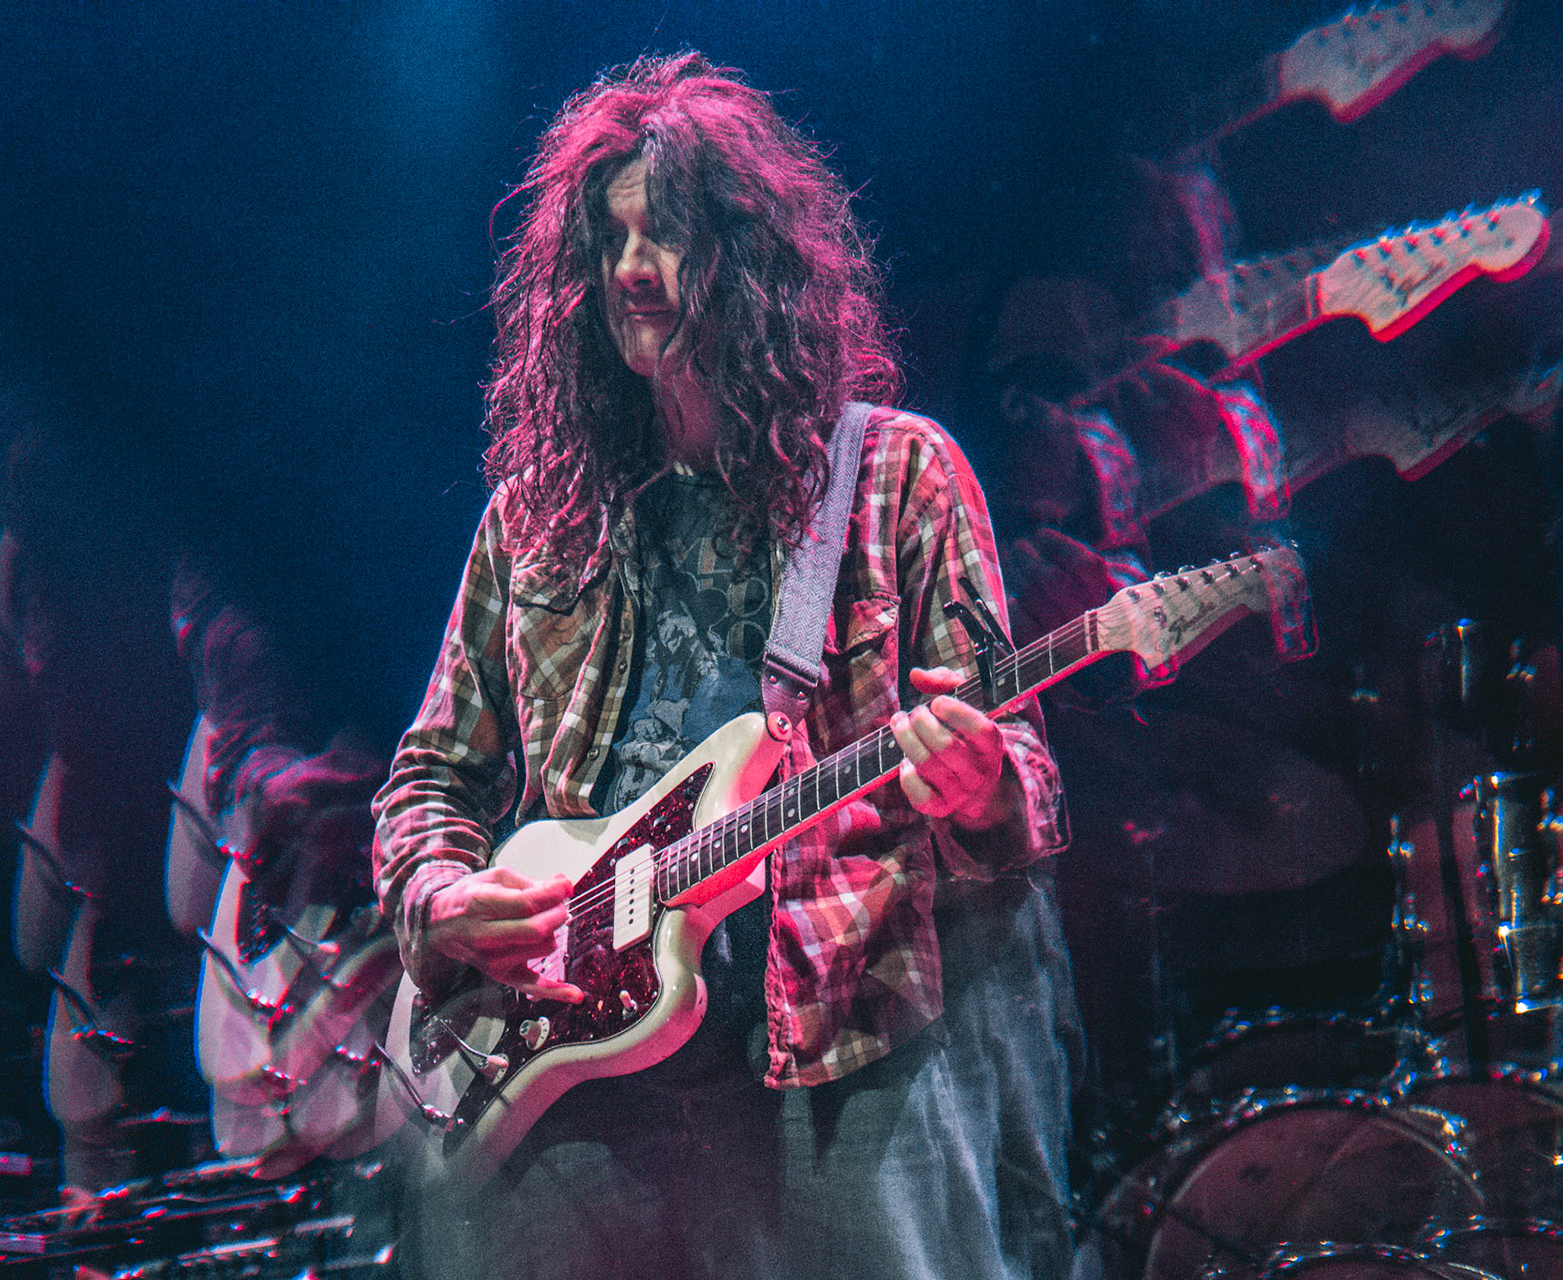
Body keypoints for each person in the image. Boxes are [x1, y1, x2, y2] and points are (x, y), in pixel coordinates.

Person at [370, 53, 1071, 1280]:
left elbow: (1022, 782)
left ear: (751, 262)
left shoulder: (894, 476)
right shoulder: (537, 515)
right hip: (570, 1058)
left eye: (669, 236)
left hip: (834, 1041)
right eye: (611, 241)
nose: (632, 270)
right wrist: (437, 896)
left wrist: (977, 784)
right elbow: (431, 771)